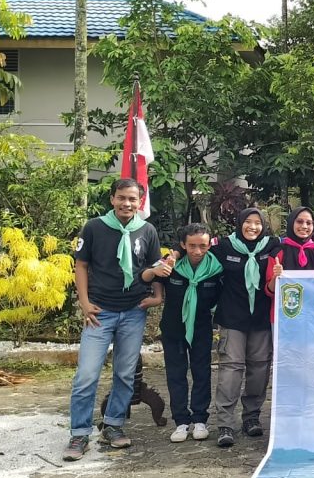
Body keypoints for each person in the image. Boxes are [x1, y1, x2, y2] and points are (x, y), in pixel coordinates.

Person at [63, 178, 164, 461]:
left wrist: (157, 296)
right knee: (86, 375)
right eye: (122, 198)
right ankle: (79, 433)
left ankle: (114, 425)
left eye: (133, 199)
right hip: (99, 313)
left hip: (133, 312)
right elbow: (81, 265)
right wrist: (83, 302)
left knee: (124, 373)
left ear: (140, 202)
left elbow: (155, 265)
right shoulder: (95, 227)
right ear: (112, 199)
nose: (127, 203)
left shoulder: (147, 230)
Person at [211, 207, 281, 449]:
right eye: (248, 222)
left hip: (261, 318)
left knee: (260, 369)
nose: (253, 227)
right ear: (239, 223)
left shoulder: (271, 246)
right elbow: (195, 247)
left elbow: (299, 240)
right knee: (230, 369)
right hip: (232, 318)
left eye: (257, 223)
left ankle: (251, 417)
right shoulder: (224, 246)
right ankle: (225, 424)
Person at [158, 223, 223, 443]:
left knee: (202, 373)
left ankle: (200, 419)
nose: (197, 251)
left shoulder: (216, 269)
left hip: (202, 328)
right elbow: (147, 277)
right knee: (176, 375)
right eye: (192, 246)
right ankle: (181, 422)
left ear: (209, 245)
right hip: (173, 328)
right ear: (183, 245)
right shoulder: (171, 265)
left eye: (202, 246)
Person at [267, 207, 314, 294]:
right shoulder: (278, 252)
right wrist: (275, 277)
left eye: (309, 223)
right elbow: (269, 291)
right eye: (299, 221)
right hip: (287, 306)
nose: (304, 226)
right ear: (291, 223)